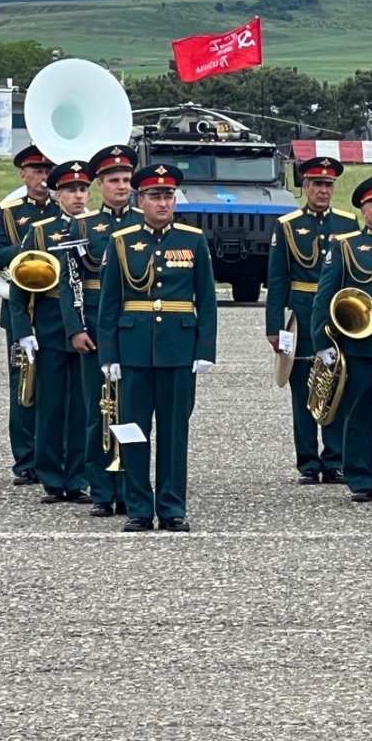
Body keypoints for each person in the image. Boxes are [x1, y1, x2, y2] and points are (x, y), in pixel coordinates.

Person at [96, 164, 218, 532]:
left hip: (179, 348)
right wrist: (109, 354)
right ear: (140, 200)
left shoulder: (193, 240)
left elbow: (207, 300)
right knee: (133, 431)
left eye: (168, 196)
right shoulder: (122, 241)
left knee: (173, 432)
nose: (163, 203)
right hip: (133, 349)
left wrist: (205, 349)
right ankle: (137, 507)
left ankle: (171, 507)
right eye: (155, 196)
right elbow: (110, 304)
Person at [312, 175, 372, 505]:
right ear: (364, 210)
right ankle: (360, 477)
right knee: (359, 410)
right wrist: (321, 342)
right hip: (359, 342)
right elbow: (325, 295)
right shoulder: (345, 245)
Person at [265, 157, 356, 486]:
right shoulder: (288, 225)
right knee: (304, 390)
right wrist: (274, 327)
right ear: (305, 187)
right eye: (316, 184)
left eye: (328, 185)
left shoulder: (348, 223)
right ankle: (308, 461)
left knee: (337, 387)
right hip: (302, 316)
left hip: (338, 314)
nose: (322, 190)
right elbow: (277, 281)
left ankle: (336, 458)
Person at [9, 160, 92, 504]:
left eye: (83, 189)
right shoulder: (41, 231)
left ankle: (78, 477)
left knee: (83, 407)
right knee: (51, 405)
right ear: (57, 194)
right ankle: (52, 478)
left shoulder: (97, 226)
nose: (77, 195)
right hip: (51, 324)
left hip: (87, 322)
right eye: (70, 190)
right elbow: (21, 283)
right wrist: (23, 329)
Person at [69, 144, 142, 517]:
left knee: (130, 409)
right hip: (94, 327)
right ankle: (100, 489)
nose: (122, 186)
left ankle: (130, 488)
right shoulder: (82, 225)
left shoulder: (143, 222)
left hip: (132, 326)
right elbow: (71, 282)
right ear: (99, 184)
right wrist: (75, 329)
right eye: (114, 180)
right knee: (96, 410)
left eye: (127, 179)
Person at [0, 145, 59, 485]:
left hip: (58, 309)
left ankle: (56, 459)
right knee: (24, 388)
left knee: (60, 389)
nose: (43, 177)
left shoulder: (67, 209)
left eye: (47, 170)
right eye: (37, 170)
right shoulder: (10, 213)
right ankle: (26, 461)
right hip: (20, 310)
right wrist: (28, 247)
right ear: (23, 175)